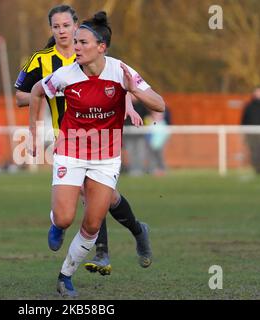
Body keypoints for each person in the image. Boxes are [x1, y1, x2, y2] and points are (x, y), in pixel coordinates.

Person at [28, 11, 165, 297]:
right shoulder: (65, 75)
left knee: (92, 223)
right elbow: (37, 92)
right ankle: (57, 223)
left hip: (106, 156)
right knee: (65, 218)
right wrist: (32, 133)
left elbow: (159, 104)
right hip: (70, 150)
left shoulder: (120, 71)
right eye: (75, 42)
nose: (75, 47)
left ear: (101, 47)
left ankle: (65, 276)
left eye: (82, 42)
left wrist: (133, 91)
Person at [241, 86, 260, 174]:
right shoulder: (249, 106)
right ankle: (257, 169)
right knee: (254, 151)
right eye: (257, 92)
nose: (259, 94)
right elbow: (244, 120)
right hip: (252, 133)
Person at [145, 109, 170, 176]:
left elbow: (166, 134)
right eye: (156, 114)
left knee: (160, 158)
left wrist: (163, 143)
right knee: (151, 158)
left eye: (160, 115)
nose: (158, 116)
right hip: (151, 144)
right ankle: (152, 170)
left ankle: (162, 170)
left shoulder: (163, 123)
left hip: (160, 145)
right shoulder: (151, 123)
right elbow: (148, 132)